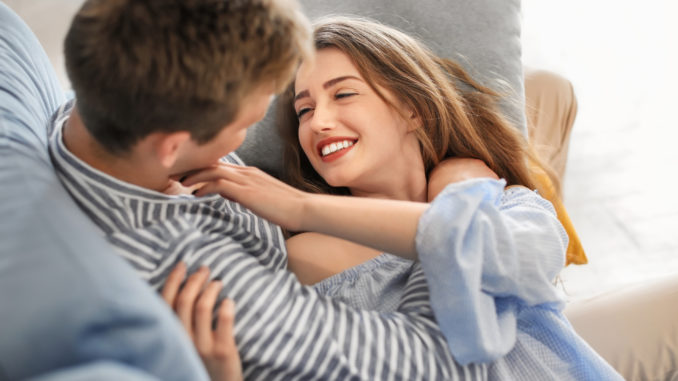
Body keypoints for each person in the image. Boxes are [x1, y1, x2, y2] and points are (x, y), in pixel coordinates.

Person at [48, 1, 494, 380]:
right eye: (244, 126)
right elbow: (450, 363)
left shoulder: (99, 102)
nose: (316, 121)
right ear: (172, 146)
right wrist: (452, 201)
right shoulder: (206, 281)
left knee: (549, 93)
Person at [176, 16, 623, 379]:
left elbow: (507, 259)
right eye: (304, 110)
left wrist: (455, 188)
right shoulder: (309, 255)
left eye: (344, 93)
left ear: (415, 109)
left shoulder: (501, 197)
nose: (318, 122)